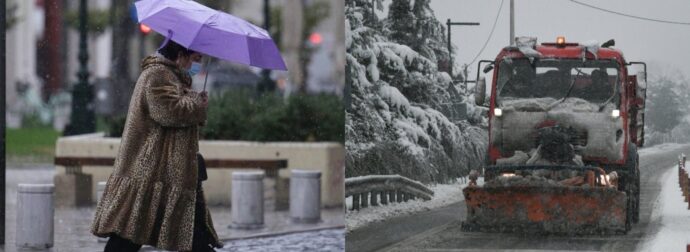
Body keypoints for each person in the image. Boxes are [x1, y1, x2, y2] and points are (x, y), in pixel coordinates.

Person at [91, 40, 222, 252]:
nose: (197, 64)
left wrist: (193, 98)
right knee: (129, 236)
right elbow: (168, 112)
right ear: (181, 55)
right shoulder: (158, 75)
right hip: (150, 172)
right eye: (195, 59)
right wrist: (197, 104)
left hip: (169, 174)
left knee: (191, 235)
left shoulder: (171, 76)